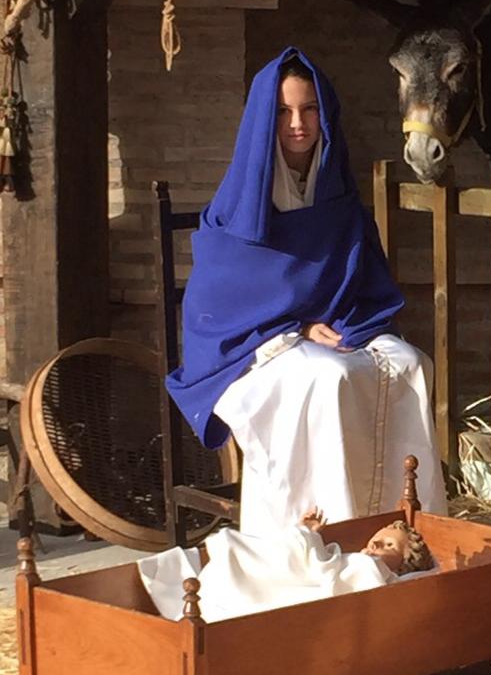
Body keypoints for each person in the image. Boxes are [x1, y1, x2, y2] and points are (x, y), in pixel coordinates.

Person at [166, 47, 447, 537]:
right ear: (262, 118)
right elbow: (217, 303)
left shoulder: (336, 195)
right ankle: (325, 536)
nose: (298, 123)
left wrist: (342, 322)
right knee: (329, 379)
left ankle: (407, 531)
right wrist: (295, 327)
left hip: (334, 328)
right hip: (254, 348)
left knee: (411, 364)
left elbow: (363, 281)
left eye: (309, 109)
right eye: (284, 111)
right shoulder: (236, 210)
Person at [137, 507, 435, 622]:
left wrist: (305, 542)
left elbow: (327, 574)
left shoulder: (373, 572)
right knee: (259, 556)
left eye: (389, 546)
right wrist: (306, 538)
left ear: (402, 565)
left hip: (308, 595)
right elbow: (317, 565)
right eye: (377, 538)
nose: (376, 545)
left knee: (250, 560)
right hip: (294, 582)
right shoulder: (356, 560)